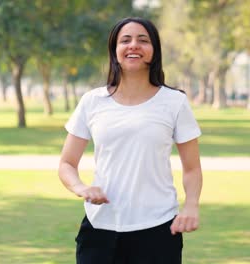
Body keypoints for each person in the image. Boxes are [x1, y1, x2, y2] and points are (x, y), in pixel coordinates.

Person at [58, 17, 202, 263]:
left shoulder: (175, 102)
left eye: (142, 40)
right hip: (99, 229)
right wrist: (81, 188)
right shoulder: (92, 101)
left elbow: (192, 168)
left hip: (158, 229)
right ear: (115, 51)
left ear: (153, 50)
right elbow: (66, 164)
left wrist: (191, 206)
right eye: (125, 40)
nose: (133, 45)